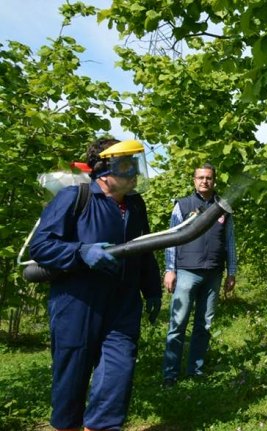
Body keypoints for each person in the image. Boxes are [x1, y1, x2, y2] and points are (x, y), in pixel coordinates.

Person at [29, 138, 162, 431]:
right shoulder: (75, 198)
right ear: (104, 169)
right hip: (77, 304)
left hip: (123, 305)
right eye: (127, 166)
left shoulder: (136, 205)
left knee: (118, 374)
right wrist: (81, 252)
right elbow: (40, 246)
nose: (134, 173)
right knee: (71, 378)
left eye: (135, 165)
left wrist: (151, 289)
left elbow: (143, 249)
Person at [162, 162, 237, 386]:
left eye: (209, 178)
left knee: (204, 325)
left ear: (214, 181)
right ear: (194, 181)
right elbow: (171, 238)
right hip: (186, 271)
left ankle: (196, 370)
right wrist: (170, 269)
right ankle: (170, 375)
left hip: (214, 272)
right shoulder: (183, 205)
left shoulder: (223, 207)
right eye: (200, 178)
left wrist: (231, 271)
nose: (205, 181)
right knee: (177, 324)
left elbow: (230, 241)